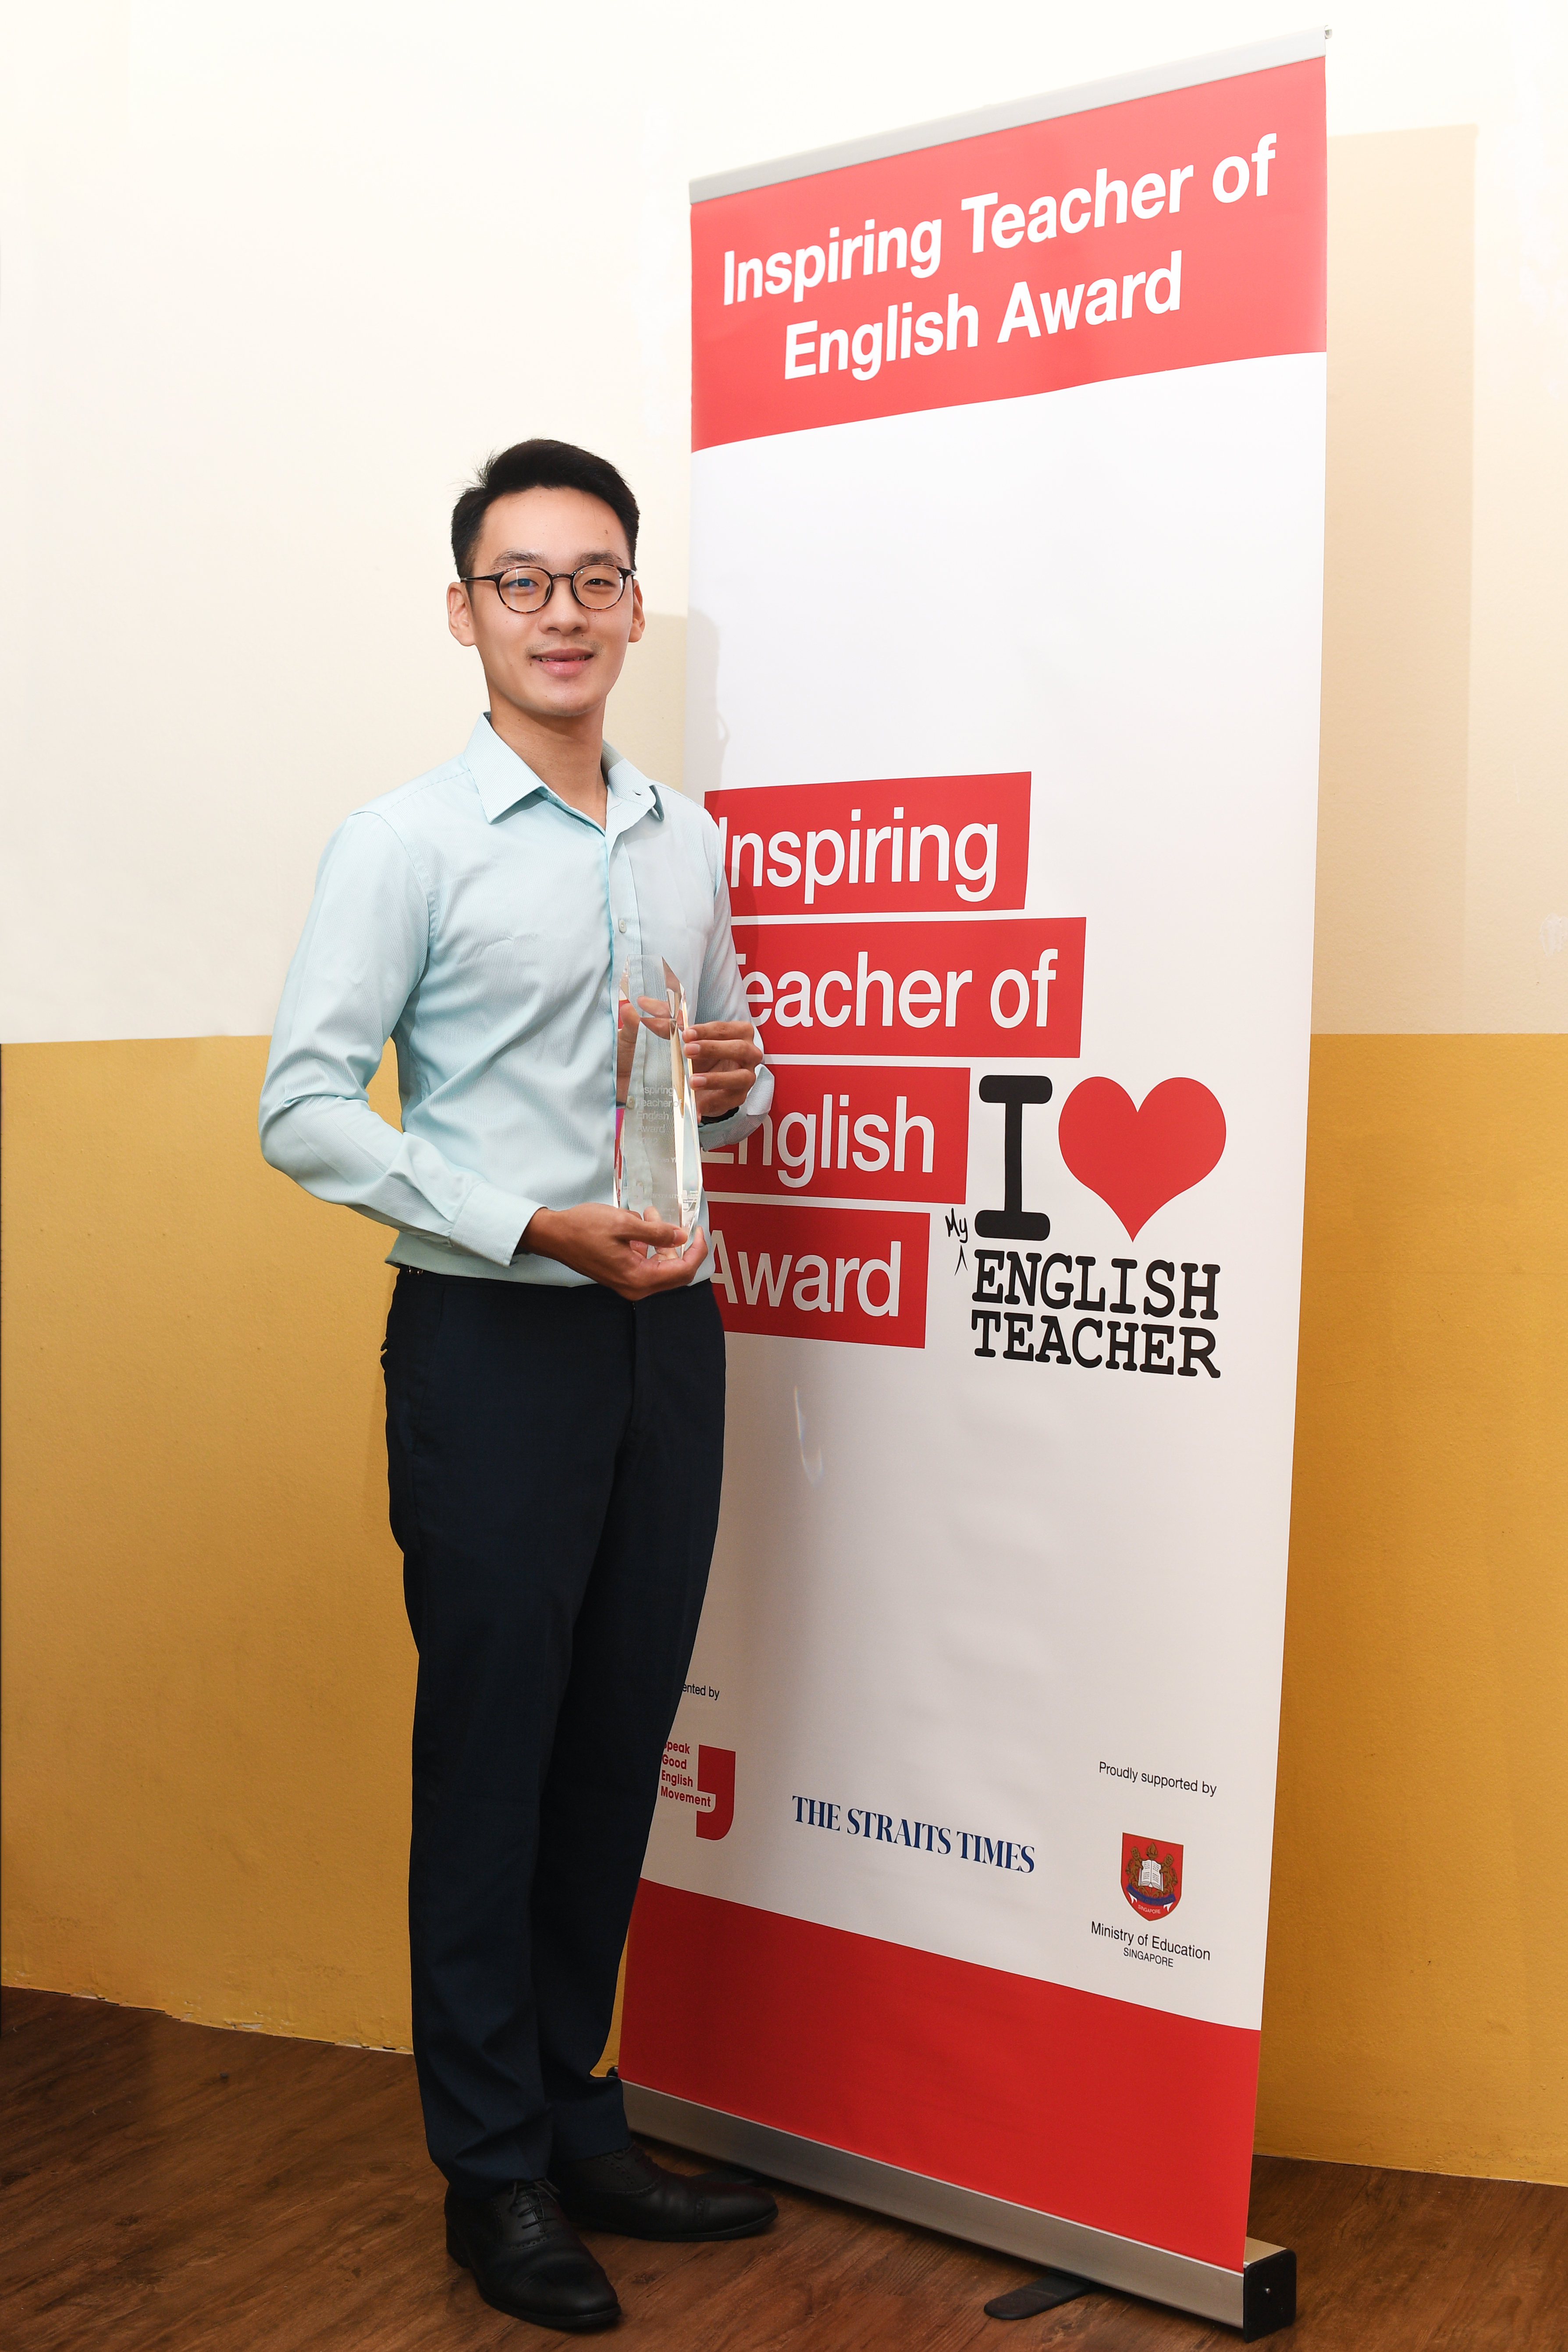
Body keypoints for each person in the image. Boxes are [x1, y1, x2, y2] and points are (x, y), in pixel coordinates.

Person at [259, 438, 777, 2332]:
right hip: (491, 1337)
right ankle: (491, 2177)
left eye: (595, 578)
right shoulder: (401, 842)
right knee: (490, 1757)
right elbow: (302, 1107)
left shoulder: (684, 835)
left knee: (610, 1735)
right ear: (465, 611)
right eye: (521, 579)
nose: (562, 612)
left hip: (667, 1334)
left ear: (635, 604)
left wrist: (739, 1089)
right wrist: (522, 1223)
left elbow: (726, 1082)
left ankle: (577, 2116)